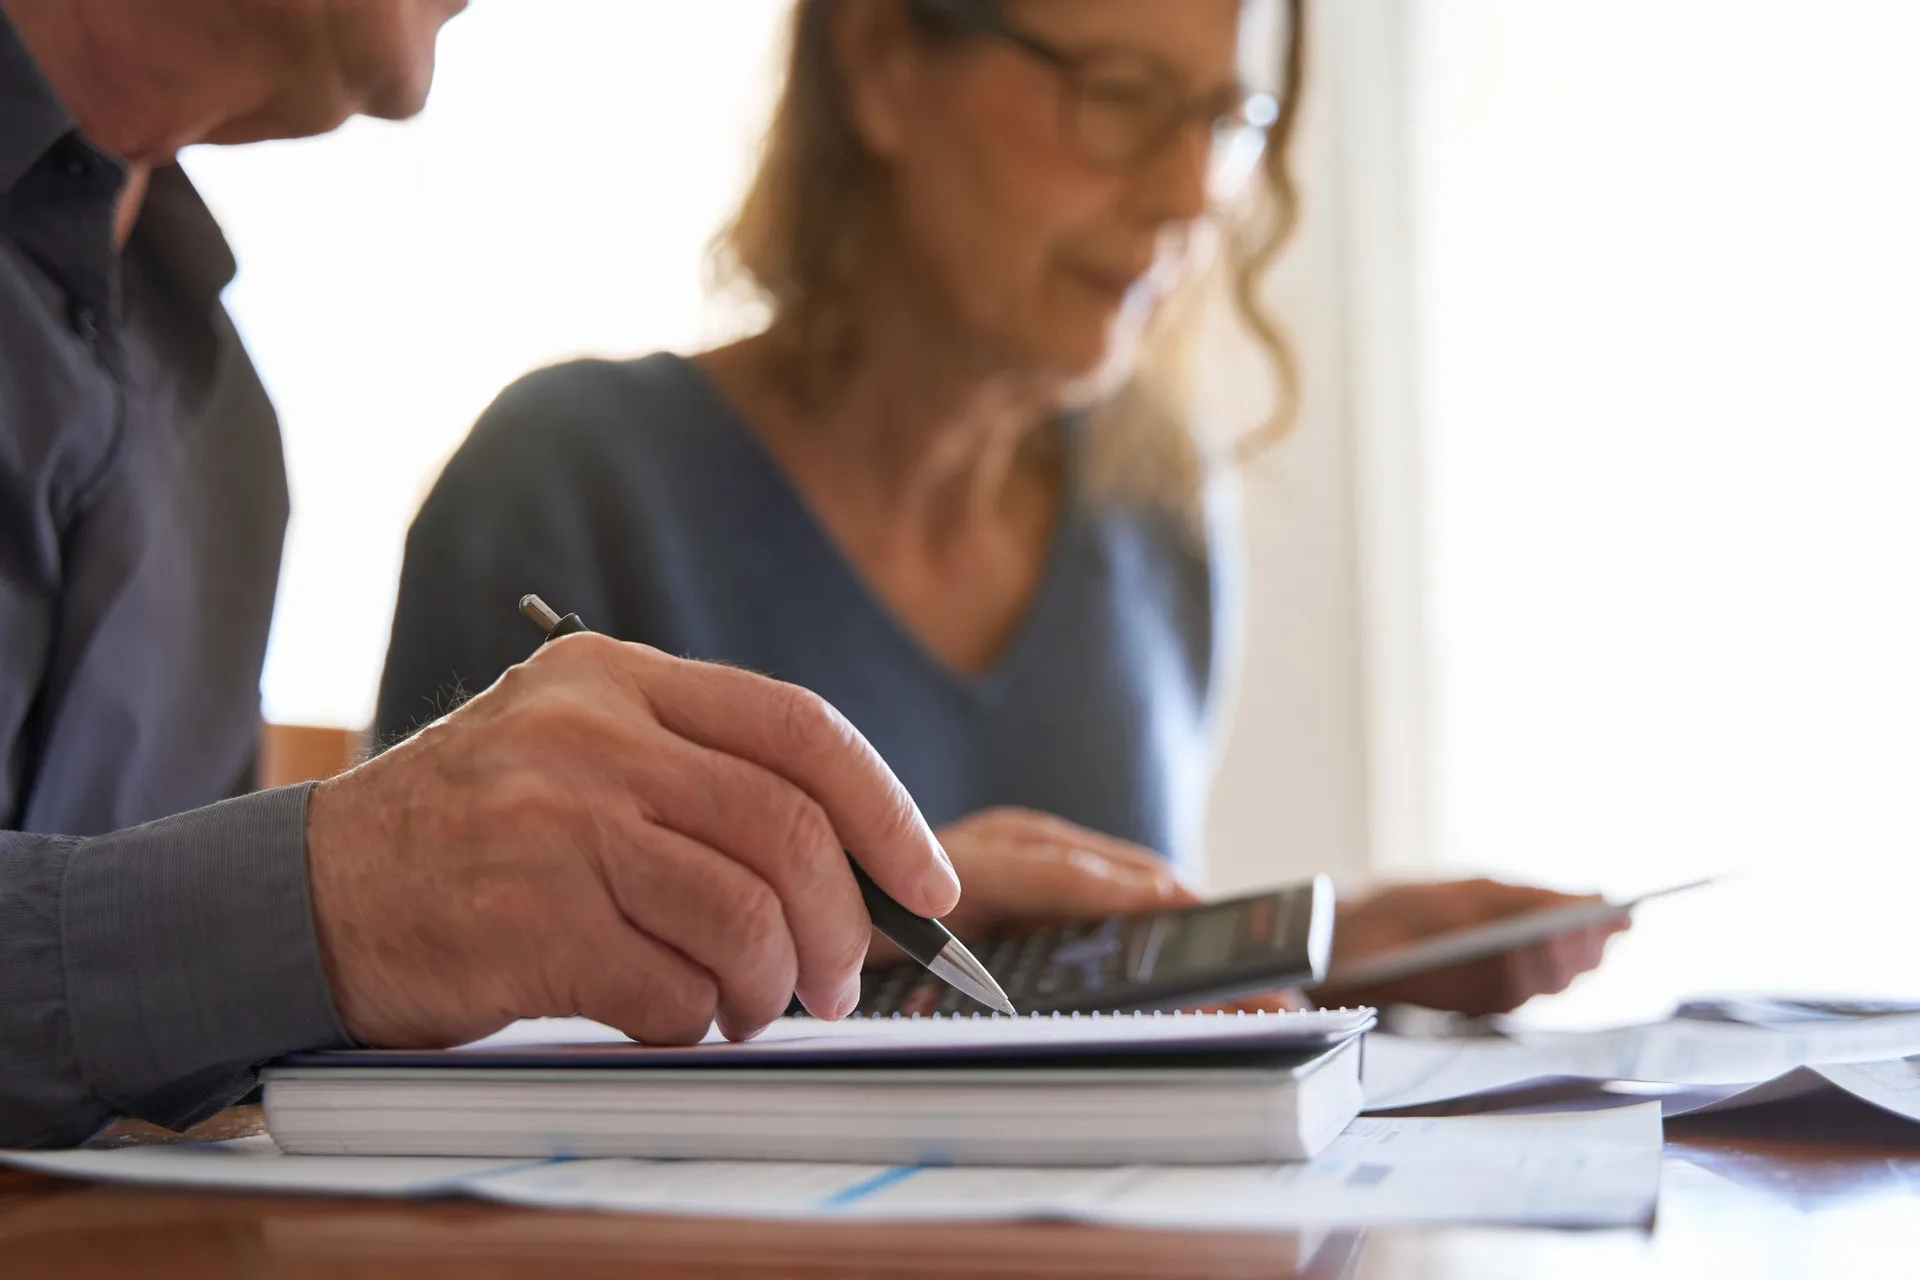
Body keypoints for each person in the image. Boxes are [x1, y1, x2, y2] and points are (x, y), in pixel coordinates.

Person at [377, 0, 1625, 1017]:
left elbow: (1048, 1007)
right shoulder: (566, 484)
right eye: (1123, 95)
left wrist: (1318, 945)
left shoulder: (1159, 519)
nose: (1190, 192)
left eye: (1224, 117)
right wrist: (862, 925)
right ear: (879, 60)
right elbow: (418, 1017)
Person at [0, 0, 1088, 1151]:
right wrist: (337, 897)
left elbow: (169, 1089)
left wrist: (767, 899)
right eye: (1114, 95)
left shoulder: (222, 427)